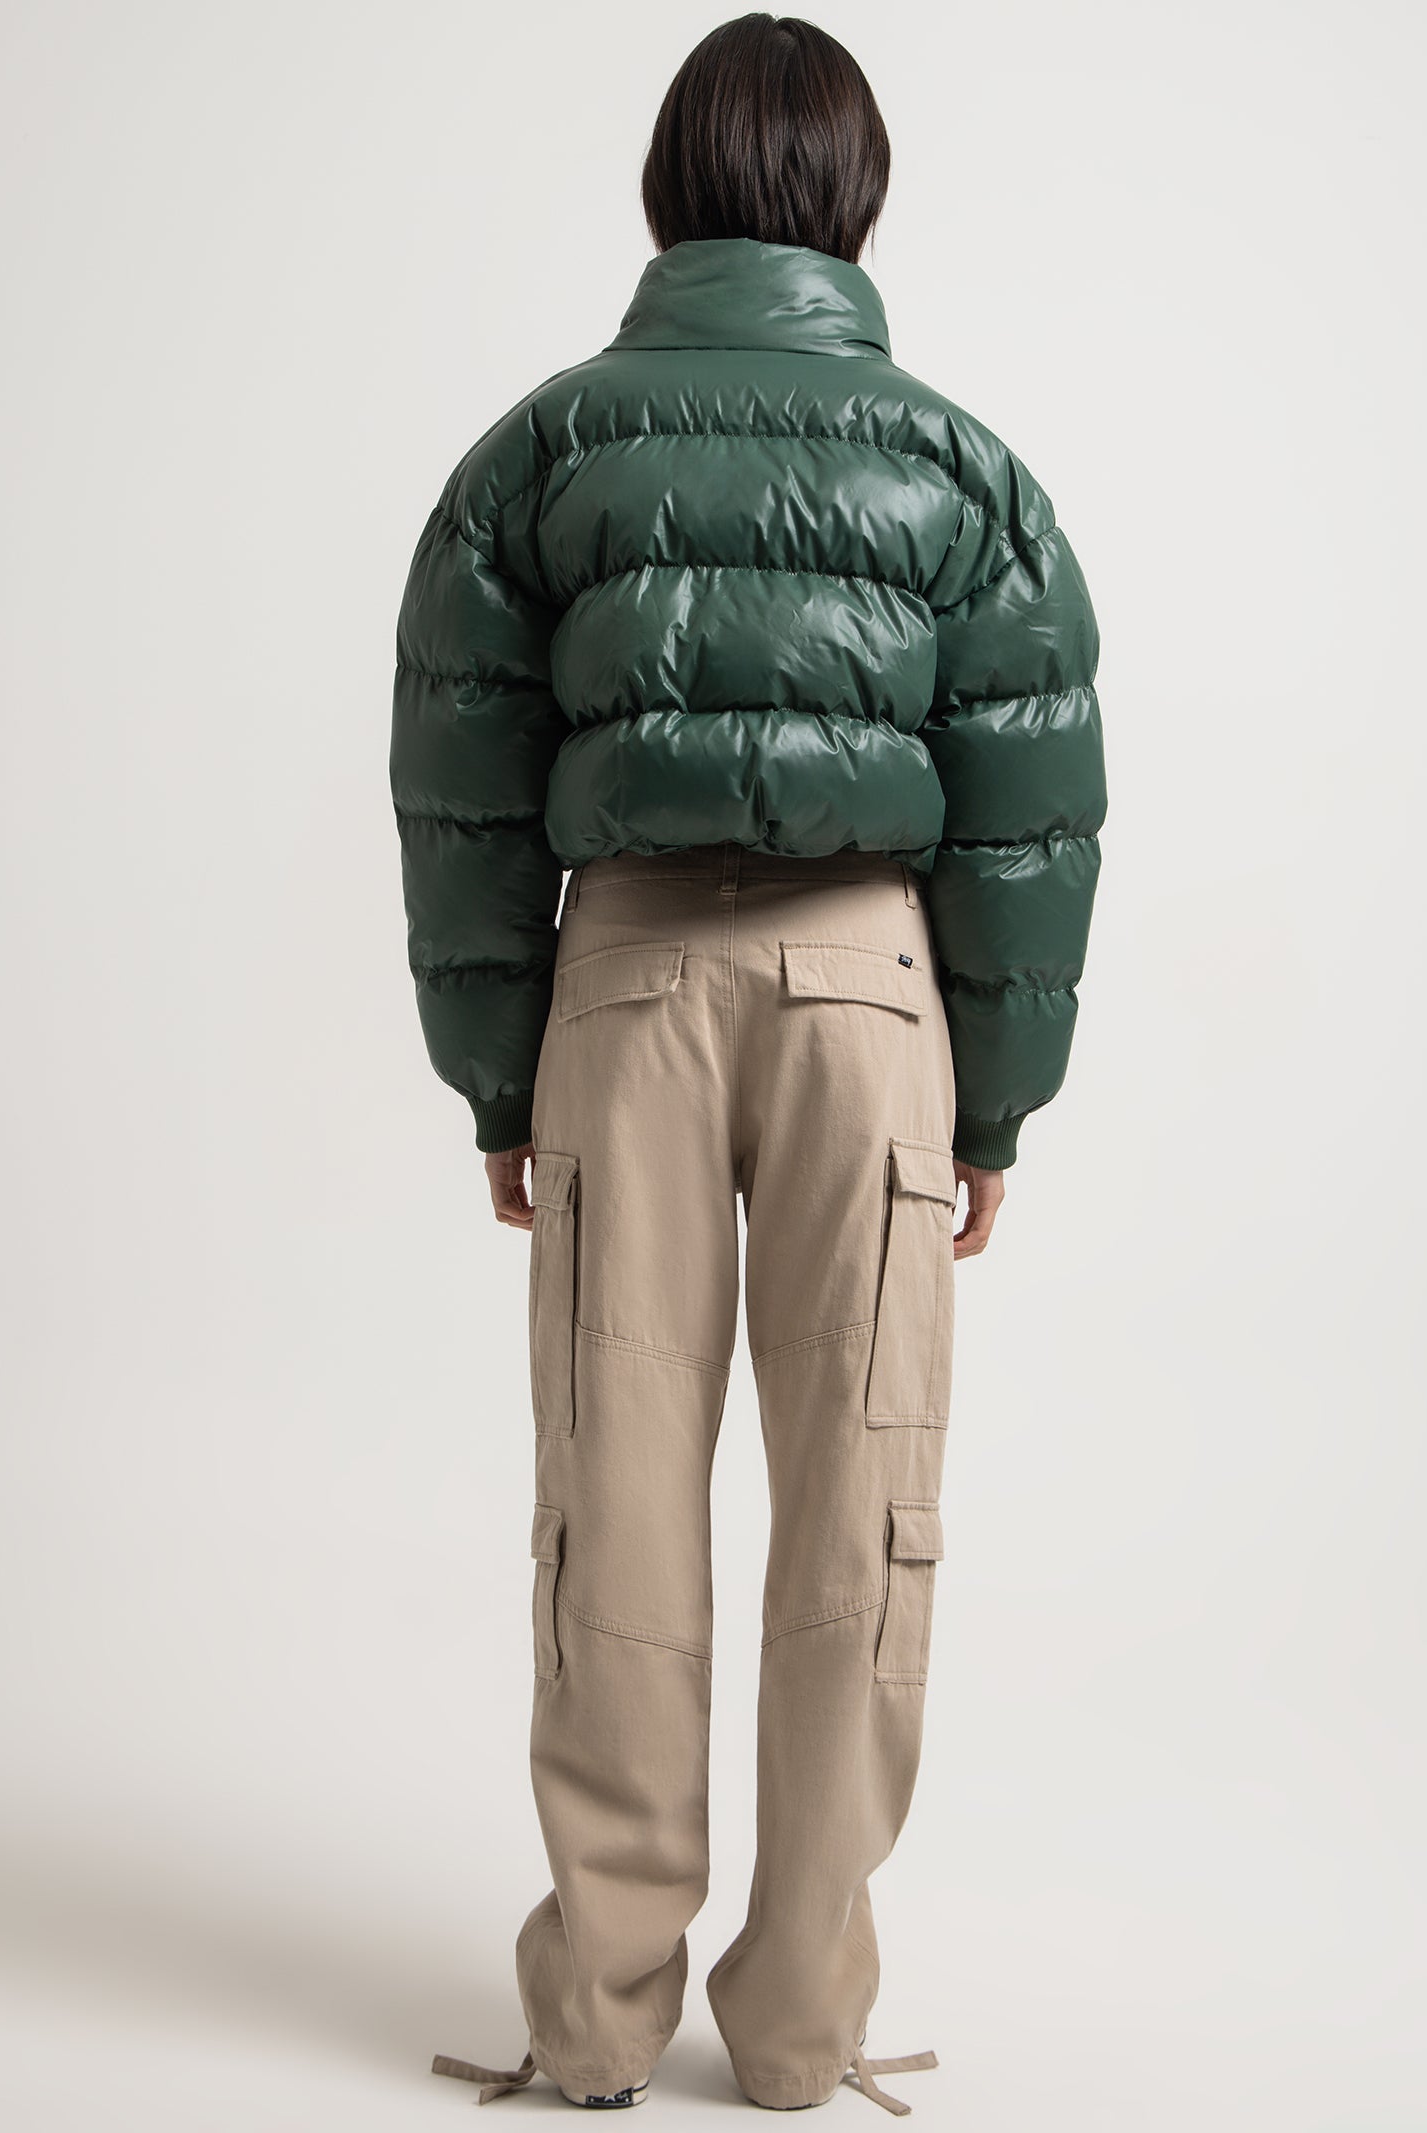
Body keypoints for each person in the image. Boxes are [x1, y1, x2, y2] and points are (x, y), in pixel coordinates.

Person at [392, 13, 1106, 2114]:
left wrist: (497, 1073)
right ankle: (797, 2026)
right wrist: (993, 1099)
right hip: (870, 998)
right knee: (861, 1505)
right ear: (854, 199)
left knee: (612, 1502)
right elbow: (1028, 811)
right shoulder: (961, 473)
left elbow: (463, 781)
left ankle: (597, 2020)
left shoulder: (543, 455)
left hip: (620, 994)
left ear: (664, 191)